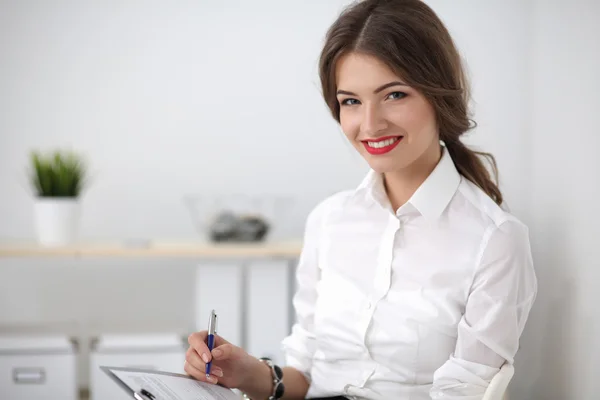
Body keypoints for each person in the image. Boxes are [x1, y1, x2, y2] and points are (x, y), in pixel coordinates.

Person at [185, 0, 538, 399]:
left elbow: (465, 393)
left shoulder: (495, 239)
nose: (369, 125)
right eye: (351, 101)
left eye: (394, 95)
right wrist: (247, 372)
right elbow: (305, 377)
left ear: (439, 94)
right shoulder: (329, 221)